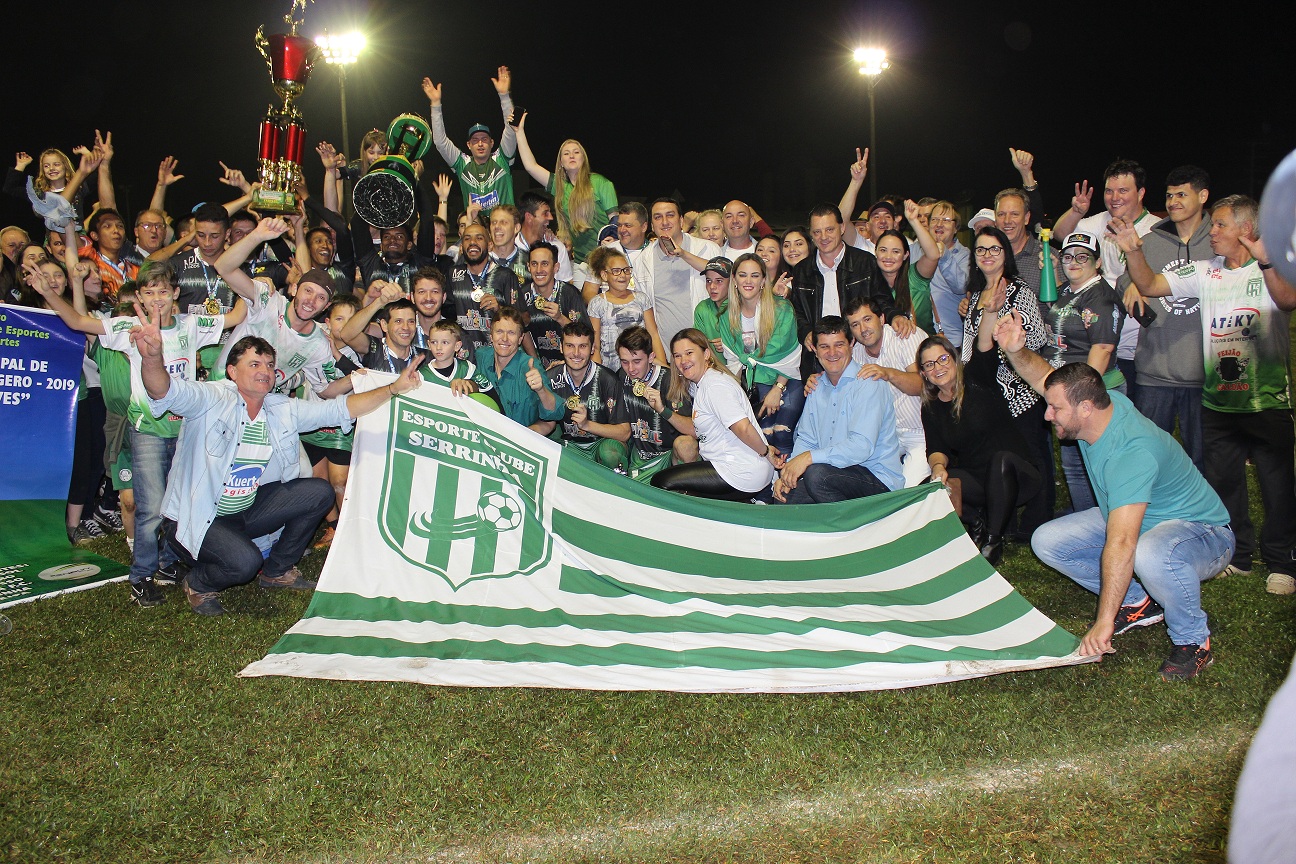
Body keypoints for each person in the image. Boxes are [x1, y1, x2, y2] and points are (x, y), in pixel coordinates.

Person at [995, 315, 1235, 681]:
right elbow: (1047, 378)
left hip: (1204, 534)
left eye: (1055, 409)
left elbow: (1122, 543)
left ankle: (1192, 640)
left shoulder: (1130, 453)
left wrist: (1103, 622)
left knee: (1151, 552)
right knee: (1048, 540)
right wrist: (1016, 350)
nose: (1048, 414)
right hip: (1140, 517)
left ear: (1085, 408)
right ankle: (1138, 601)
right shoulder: (1101, 404)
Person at [133, 321, 427, 616]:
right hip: (200, 518)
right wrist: (152, 358)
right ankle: (198, 583)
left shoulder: (281, 407)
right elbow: (164, 391)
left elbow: (340, 409)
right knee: (244, 564)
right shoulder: (211, 399)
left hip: (245, 511)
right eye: (254, 363)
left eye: (270, 365)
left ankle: (277, 571)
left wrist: (393, 388)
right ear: (233, 372)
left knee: (318, 492)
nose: (265, 370)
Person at [29, 259, 247, 606]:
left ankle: (169, 563)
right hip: (147, 429)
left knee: (182, 504)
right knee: (151, 509)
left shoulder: (192, 324)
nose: (157, 298)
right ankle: (141, 577)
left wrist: (252, 275)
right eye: (149, 292)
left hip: (187, 429)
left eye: (163, 291)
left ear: (175, 293)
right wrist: (48, 294)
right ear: (140, 298)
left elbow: (237, 316)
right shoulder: (129, 326)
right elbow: (76, 321)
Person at [1113, 196, 1296, 595]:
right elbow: (1149, 285)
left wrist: (1265, 261)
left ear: (1245, 231)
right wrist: (1134, 251)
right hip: (1217, 402)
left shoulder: (1272, 267)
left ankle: (1283, 563)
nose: (1211, 233)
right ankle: (1241, 555)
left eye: (1220, 226)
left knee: (1276, 484)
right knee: (1225, 482)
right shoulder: (1207, 271)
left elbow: (1288, 301)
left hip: (1266, 401)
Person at [1118, 165, 1213, 474]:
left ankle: (1202, 520)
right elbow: (1122, 281)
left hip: (1204, 372)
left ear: (1202, 196)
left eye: (1182, 194)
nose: (1173, 202)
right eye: (1170, 195)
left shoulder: (1216, 241)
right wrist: (1132, 283)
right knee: (1149, 455)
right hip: (1155, 369)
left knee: (1202, 459)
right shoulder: (1153, 241)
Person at [918, 334, 1041, 565]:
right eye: (929, 364)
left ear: (954, 360)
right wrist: (937, 467)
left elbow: (984, 343)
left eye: (943, 359)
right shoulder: (931, 407)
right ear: (924, 373)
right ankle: (976, 521)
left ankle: (993, 541)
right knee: (929, 487)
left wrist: (990, 307)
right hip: (978, 480)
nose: (938, 367)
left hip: (1016, 475)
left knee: (1000, 459)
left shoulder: (977, 379)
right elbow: (936, 447)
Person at [962, 223, 1052, 534]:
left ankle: (1036, 524)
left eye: (994, 249)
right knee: (999, 460)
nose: (987, 255)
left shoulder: (1019, 290)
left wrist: (1006, 347)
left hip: (1021, 391)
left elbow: (1037, 337)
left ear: (1006, 254)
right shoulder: (976, 296)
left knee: (1032, 456)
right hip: (989, 397)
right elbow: (967, 345)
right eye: (981, 249)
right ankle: (1005, 522)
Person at [1053, 159, 1159, 403]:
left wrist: (1137, 281)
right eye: (1109, 191)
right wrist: (1076, 212)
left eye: (1123, 190)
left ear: (1141, 193)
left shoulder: (1155, 229)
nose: (1114, 197)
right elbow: (1060, 234)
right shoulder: (1094, 224)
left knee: (1132, 415)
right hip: (1097, 340)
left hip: (1137, 345)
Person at [774, 316, 903, 503]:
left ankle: (853, 529)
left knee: (817, 475)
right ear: (815, 351)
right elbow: (807, 439)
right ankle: (830, 526)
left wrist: (808, 459)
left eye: (839, 345)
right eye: (824, 347)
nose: (832, 353)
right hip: (834, 475)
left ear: (851, 344)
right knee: (784, 496)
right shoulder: (815, 385)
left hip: (877, 479)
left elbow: (861, 447)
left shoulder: (869, 383)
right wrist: (789, 472)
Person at [1042, 231, 1126, 513]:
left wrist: (1079, 398)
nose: (1074, 262)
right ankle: (1085, 519)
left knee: (1101, 464)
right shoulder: (1066, 290)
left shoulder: (1101, 297)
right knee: (1074, 465)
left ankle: (1107, 522)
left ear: (1097, 261)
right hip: (1068, 392)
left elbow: (1101, 349)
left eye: (1082, 257)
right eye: (1068, 257)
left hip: (1092, 393)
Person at [212, 217, 339, 396]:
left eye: (320, 297)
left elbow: (325, 390)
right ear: (294, 288)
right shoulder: (268, 299)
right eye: (308, 291)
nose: (311, 300)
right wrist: (256, 236)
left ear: (326, 306)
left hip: (262, 407)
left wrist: (360, 379)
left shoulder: (318, 343)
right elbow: (223, 267)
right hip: (221, 391)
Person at [651, 329, 781, 501]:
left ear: (706, 354)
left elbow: (743, 427)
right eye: (677, 356)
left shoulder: (714, 386)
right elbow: (697, 429)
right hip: (736, 467)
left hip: (740, 471)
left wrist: (765, 452)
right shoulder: (700, 384)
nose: (683, 361)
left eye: (689, 353)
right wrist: (662, 409)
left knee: (661, 482)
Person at [789, 203, 913, 380]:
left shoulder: (865, 262)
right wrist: (806, 332)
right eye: (817, 232)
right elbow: (797, 312)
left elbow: (881, 301)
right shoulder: (802, 270)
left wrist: (896, 316)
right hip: (819, 358)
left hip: (859, 351)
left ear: (842, 228)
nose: (823, 237)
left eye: (829, 229)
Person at [718, 253, 804, 456]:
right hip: (751, 383)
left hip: (786, 379)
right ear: (734, 280)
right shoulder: (726, 312)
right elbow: (733, 361)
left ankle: (786, 484)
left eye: (755, 276)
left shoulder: (782, 310)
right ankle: (767, 485)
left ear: (764, 280)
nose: (748, 281)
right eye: (743, 275)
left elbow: (788, 355)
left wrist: (778, 388)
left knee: (782, 433)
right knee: (762, 436)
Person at [843, 297, 928, 487]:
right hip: (885, 436)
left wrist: (888, 373)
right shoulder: (855, 353)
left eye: (867, 319)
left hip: (921, 432)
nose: (863, 329)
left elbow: (923, 386)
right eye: (855, 325)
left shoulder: (904, 335)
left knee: (907, 492)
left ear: (881, 319)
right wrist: (815, 380)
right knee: (858, 479)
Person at [512, 113, 617, 264]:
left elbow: (615, 220)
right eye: (566, 154)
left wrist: (612, 239)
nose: (571, 156)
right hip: (581, 262)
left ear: (583, 158)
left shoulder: (601, 183)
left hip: (606, 257)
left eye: (576, 152)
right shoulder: (560, 186)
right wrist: (519, 132)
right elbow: (530, 166)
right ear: (561, 162)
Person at [633, 197, 722, 353]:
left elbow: (727, 290)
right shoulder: (642, 260)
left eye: (670, 215)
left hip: (708, 349)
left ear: (681, 221)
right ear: (652, 225)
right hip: (667, 354)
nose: (664, 221)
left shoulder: (708, 249)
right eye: (658, 217)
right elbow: (645, 312)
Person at [423, 66, 517, 211]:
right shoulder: (462, 163)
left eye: (485, 139)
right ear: (468, 145)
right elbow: (440, 142)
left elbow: (511, 129)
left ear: (492, 143)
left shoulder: (503, 158)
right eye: (475, 140)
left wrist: (504, 96)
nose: (480, 143)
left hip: (505, 227)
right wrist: (435, 104)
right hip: (475, 229)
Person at [616, 326, 698, 482]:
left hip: (668, 457)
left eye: (637, 361)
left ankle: (686, 490)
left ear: (651, 357)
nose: (631, 369)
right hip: (640, 457)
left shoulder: (670, 381)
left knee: (686, 445)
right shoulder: (622, 376)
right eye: (625, 362)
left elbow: (695, 430)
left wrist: (662, 410)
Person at [543, 320, 629, 469]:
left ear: (592, 349)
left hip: (601, 444)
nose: (576, 353)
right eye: (570, 346)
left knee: (610, 454)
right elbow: (545, 423)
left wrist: (587, 425)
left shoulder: (608, 380)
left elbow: (624, 433)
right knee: (544, 444)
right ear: (561, 347)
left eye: (582, 346)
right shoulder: (551, 378)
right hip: (569, 445)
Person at [475, 306, 565, 430]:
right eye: (499, 331)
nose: (505, 339)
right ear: (491, 336)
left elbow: (554, 416)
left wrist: (541, 389)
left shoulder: (530, 366)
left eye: (511, 333)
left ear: (520, 338)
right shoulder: (481, 357)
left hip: (520, 441)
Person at [511, 241, 587, 367]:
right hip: (538, 365)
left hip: (571, 364)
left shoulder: (569, 293)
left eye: (545, 264)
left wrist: (560, 318)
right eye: (534, 264)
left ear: (556, 267)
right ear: (528, 267)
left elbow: (585, 337)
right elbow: (522, 333)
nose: (539, 270)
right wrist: (536, 365)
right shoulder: (522, 295)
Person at [447, 222, 516, 357]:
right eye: (467, 238)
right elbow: (445, 313)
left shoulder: (505, 275)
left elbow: (523, 320)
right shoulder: (453, 274)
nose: (472, 242)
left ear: (490, 245)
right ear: (462, 247)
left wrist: (499, 309)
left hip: (496, 356)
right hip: (463, 357)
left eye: (479, 238)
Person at [588, 249, 663, 370]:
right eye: (616, 271)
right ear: (604, 275)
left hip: (641, 368)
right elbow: (595, 345)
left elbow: (653, 334)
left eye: (626, 270)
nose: (622, 275)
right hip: (610, 369)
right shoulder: (597, 303)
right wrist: (598, 373)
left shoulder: (641, 299)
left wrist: (662, 367)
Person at [925, 200, 970, 347]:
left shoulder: (965, 255)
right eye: (935, 220)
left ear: (956, 227)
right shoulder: (915, 250)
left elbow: (961, 286)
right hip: (918, 338)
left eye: (946, 220)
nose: (939, 224)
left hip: (950, 339)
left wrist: (944, 256)